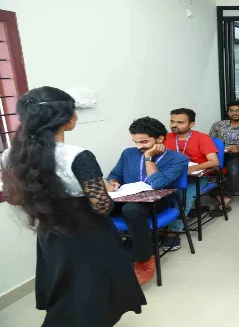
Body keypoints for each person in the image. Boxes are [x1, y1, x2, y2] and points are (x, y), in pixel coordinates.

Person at [1, 87, 147, 326]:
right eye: (73, 111)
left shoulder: (9, 155)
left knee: (66, 289)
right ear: (65, 118)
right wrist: (102, 190)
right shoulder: (78, 156)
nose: (76, 116)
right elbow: (102, 207)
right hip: (89, 234)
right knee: (94, 294)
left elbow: (14, 196)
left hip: (50, 234)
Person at [106, 116, 190, 282]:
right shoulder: (128, 153)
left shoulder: (178, 159)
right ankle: (110, 253)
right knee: (94, 206)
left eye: (143, 142)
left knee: (131, 210)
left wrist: (149, 157)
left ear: (159, 139)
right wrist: (113, 183)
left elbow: (157, 183)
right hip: (125, 196)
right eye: (135, 142)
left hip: (157, 201)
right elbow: (114, 175)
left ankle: (144, 258)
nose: (139, 147)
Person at [164, 108, 219, 249]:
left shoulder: (202, 138)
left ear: (191, 124)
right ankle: (163, 223)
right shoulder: (166, 137)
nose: (174, 125)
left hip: (197, 177)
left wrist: (192, 168)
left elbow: (214, 162)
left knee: (183, 194)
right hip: (172, 176)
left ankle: (173, 232)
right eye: (172, 121)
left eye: (180, 122)